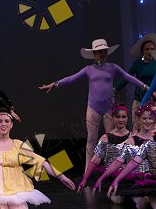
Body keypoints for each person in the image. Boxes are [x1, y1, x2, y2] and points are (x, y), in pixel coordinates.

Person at [40, 38, 146, 173]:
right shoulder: (88, 69)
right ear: (94, 54)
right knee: (91, 140)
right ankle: (87, 172)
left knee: (111, 140)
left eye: (104, 51)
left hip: (109, 109)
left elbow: (127, 77)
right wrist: (55, 84)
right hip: (93, 108)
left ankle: (111, 170)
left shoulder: (112, 67)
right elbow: (72, 78)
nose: (102, 54)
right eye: (99, 52)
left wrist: (144, 86)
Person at [0, 112, 75, 209]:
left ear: (11, 125)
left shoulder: (18, 145)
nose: (3, 124)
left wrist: (61, 177)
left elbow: (41, 161)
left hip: (16, 189)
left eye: (6, 121)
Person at [76, 103, 131, 204]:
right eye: (117, 117)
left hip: (129, 174)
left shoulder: (132, 137)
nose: (121, 120)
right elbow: (95, 160)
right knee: (118, 199)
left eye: (123, 117)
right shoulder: (106, 138)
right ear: (112, 118)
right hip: (112, 174)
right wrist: (85, 178)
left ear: (127, 118)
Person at [113, 33, 156, 130]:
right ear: (142, 51)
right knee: (136, 125)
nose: (149, 51)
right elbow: (126, 78)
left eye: (152, 49)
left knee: (154, 125)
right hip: (139, 97)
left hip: (154, 98)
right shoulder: (137, 64)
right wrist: (115, 88)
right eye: (147, 49)